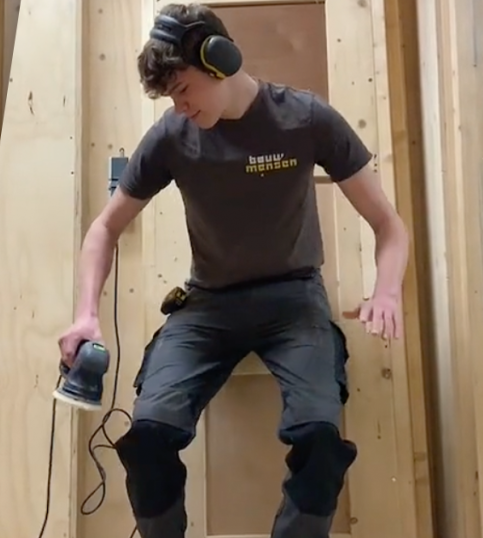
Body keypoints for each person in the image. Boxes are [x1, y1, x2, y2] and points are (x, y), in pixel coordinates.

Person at [56, 4, 409, 538]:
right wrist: (86, 314)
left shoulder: (305, 119)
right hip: (209, 304)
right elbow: (104, 228)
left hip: (293, 301)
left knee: (319, 438)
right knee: (147, 436)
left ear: (220, 61)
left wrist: (387, 292)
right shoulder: (173, 135)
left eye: (184, 89)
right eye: (170, 97)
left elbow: (389, 225)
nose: (180, 106)